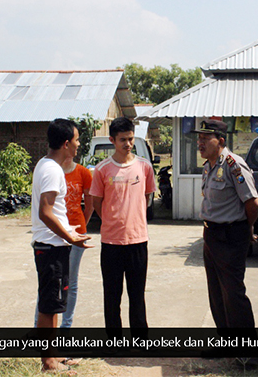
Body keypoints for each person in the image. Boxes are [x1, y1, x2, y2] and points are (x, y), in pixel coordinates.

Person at [31, 118, 93, 372]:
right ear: (66, 143)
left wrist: (69, 233)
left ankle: (54, 355)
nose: (78, 145)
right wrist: (70, 237)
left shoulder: (46, 165)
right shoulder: (52, 170)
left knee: (54, 304)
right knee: (49, 306)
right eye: (77, 140)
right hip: (51, 247)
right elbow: (46, 212)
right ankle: (49, 362)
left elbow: (51, 212)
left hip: (53, 245)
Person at [89, 117, 156, 333]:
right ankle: (114, 340)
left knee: (137, 294)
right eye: (122, 140)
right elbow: (97, 202)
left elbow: (147, 196)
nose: (128, 144)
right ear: (112, 140)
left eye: (130, 139)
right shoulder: (102, 170)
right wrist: (112, 219)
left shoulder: (144, 167)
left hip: (138, 240)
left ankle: (140, 339)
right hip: (111, 242)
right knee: (112, 295)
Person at [195, 119, 258, 330]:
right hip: (211, 235)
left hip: (230, 236)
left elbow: (253, 202)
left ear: (221, 141)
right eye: (199, 138)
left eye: (206, 139)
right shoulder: (209, 166)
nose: (200, 143)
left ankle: (246, 345)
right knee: (216, 293)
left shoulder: (234, 165)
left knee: (233, 293)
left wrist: (247, 228)